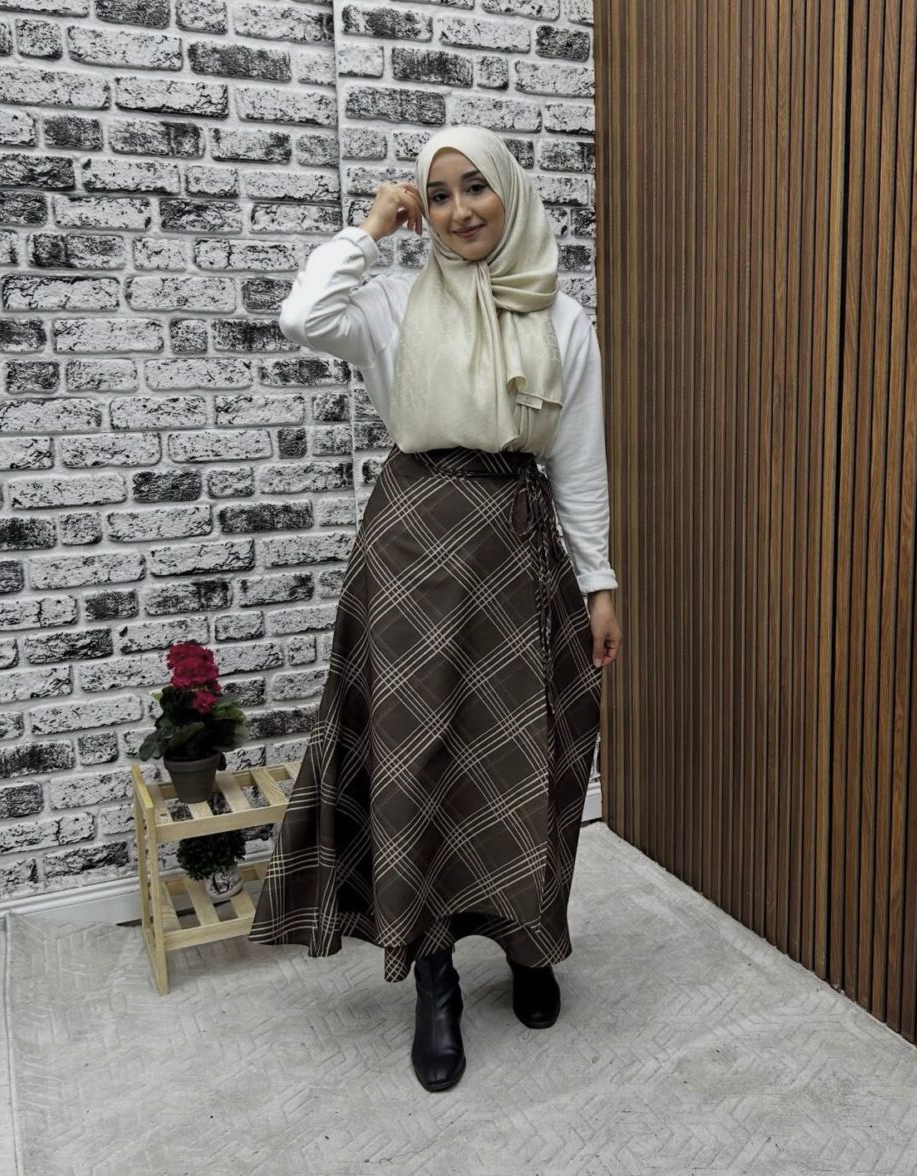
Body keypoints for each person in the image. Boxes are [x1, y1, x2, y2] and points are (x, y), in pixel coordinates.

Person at [248, 125, 623, 1093]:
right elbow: (300, 315)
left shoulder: (560, 317)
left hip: (516, 556)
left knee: (527, 753)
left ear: (509, 194)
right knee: (414, 759)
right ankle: (434, 978)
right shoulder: (389, 300)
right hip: (411, 552)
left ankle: (529, 943)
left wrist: (599, 581)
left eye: (476, 188)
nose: (459, 211)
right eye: (440, 193)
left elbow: (578, 461)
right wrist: (372, 228)